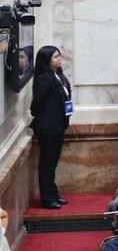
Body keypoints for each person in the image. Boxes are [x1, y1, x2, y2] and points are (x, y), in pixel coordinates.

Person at [30, 45, 72, 209]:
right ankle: (47, 199)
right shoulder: (46, 78)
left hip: (57, 126)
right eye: (56, 57)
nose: (59, 59)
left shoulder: (57, 76)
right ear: (47, 61)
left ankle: (53, 193)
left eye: (59, 56)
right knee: (47, 163)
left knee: (52, 163)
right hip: (48, 128)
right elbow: (36, 104)